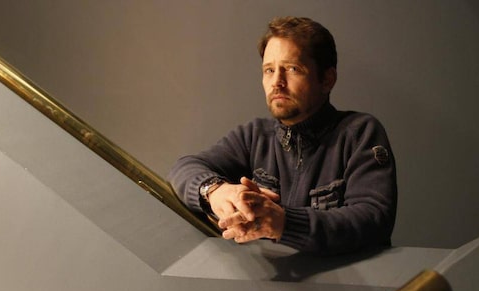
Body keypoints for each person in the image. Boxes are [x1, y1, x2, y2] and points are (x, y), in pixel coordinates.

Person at [168, 16, 397, 255]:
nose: (277, 82)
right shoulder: (254, 135)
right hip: (268, 278)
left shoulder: (360, 133)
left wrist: (284, 223)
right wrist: (216, 191)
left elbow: (373, 218)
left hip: (350, 279)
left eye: (292, 69)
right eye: (269, 70)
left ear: (327, 79)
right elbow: (184, 167)